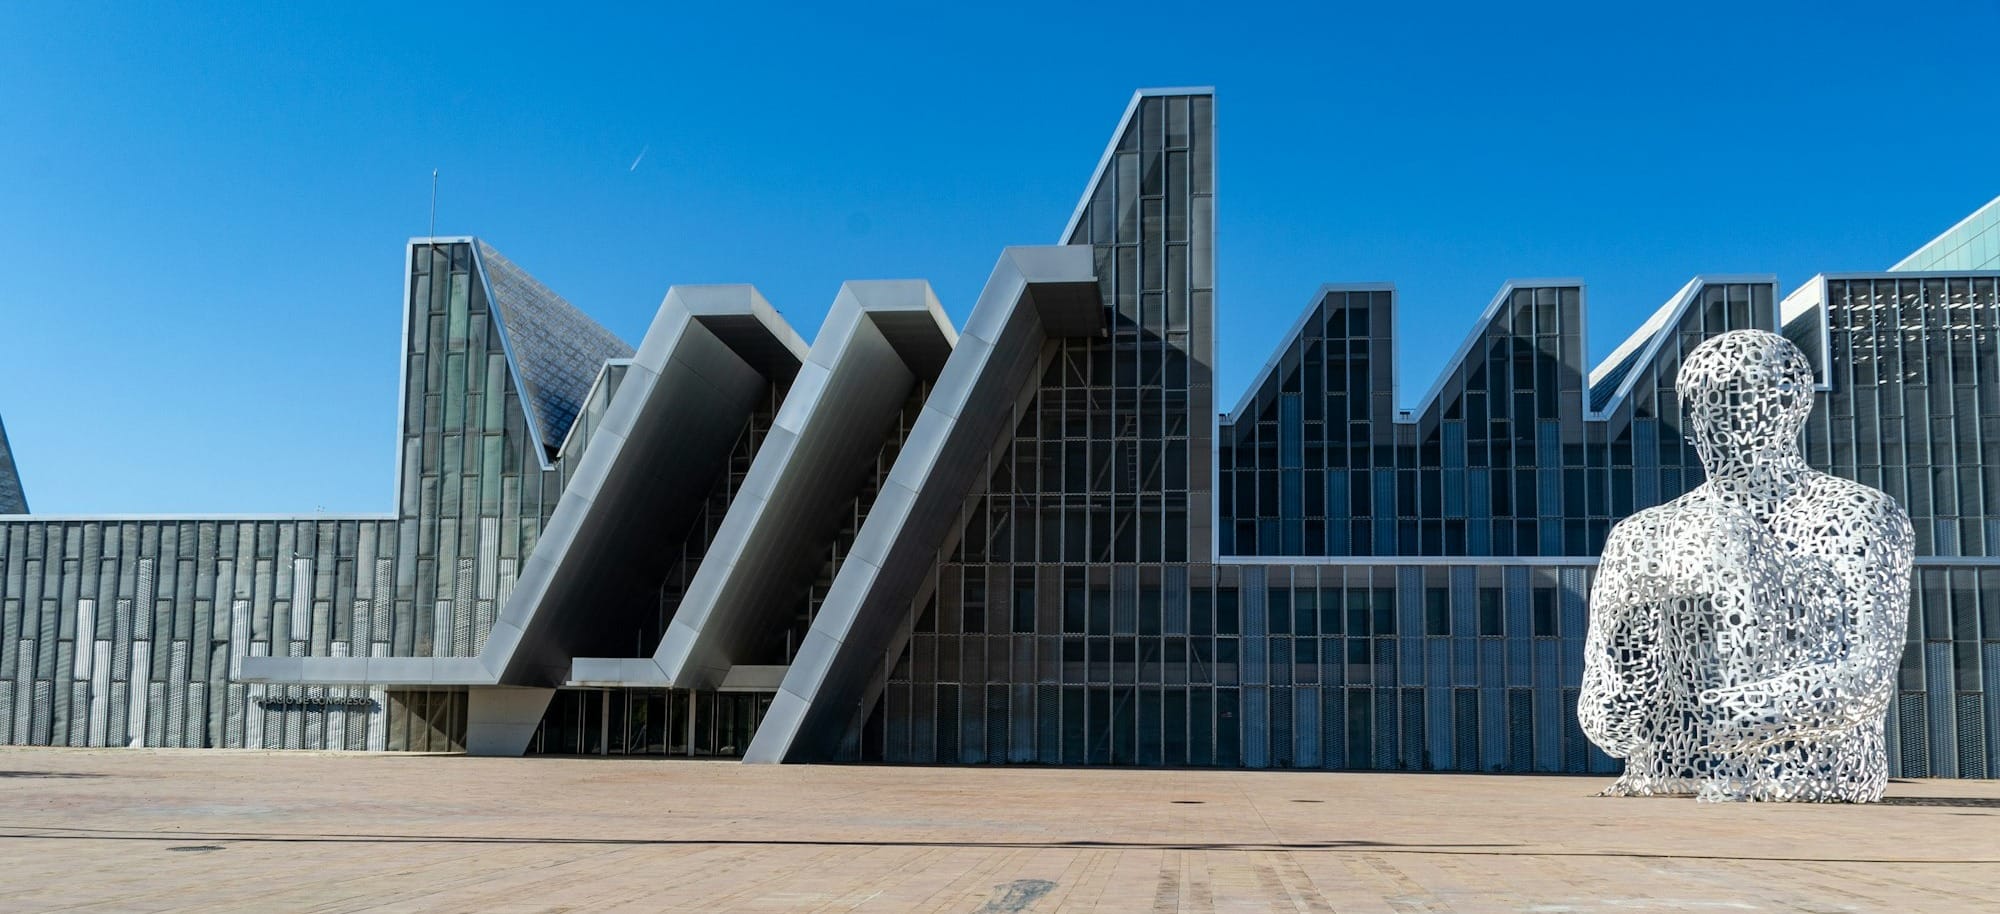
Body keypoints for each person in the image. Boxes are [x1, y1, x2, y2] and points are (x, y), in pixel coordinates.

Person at [1580, 330, 1912, 802]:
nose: (1719, 422)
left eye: (1739, 399)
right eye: (1701, 405)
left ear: (1793, 406)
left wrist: (1716, 717)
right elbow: (1607, 725)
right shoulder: (1641, 536)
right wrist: (1624, 647)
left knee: (1731, 549)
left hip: (1817, 781)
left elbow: (1863, 677)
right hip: (1668, 788)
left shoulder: (1858, 515)